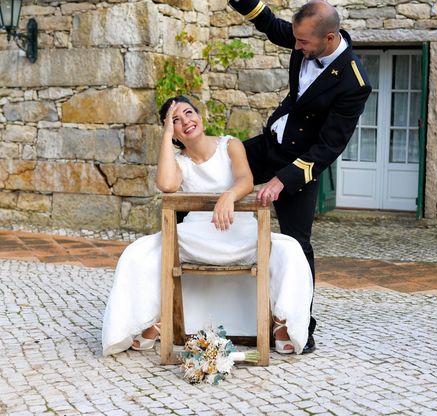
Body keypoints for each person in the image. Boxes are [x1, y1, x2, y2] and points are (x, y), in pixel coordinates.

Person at [102, 95, 313, 356]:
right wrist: (166, 136)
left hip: (239, 230)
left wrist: (228, 196)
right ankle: (158, 317)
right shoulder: (179, 162)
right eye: (176, 121)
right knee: (138, 253)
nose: (186, 122)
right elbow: (167, 185)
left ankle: (280, 323)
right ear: (173, 133)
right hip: (197, 235)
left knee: (290, 251)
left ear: (199, 116)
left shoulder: (230, 145)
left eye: (189, 113)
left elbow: (246, 180)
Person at [228, 0, 372, 353]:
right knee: (211, 174)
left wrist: (282, 180)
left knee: (296, 243)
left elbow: (329, 146)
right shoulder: (303, 40)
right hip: (269, 144)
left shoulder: (354, 82)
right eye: (296, 39)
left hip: (299, 164)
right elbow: (274, 26)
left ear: (328, 38)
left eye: (302, 42)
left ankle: (298, 327)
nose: (295, 46)